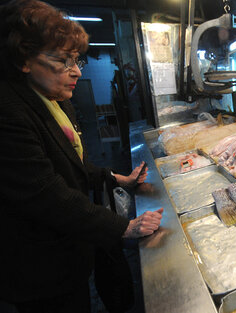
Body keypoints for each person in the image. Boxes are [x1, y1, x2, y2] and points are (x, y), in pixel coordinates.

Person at [0, 0, 164, 312]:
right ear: (24, 60)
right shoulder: (9, 111)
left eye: (77, 60)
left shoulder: (55, 99)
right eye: (62, 61)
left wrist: (117, 177)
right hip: (40, 267)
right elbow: (46, 193)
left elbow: (71, 164)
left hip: (72, 247)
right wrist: (123, 227)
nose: (76, 72)